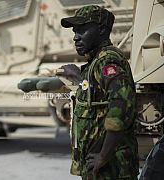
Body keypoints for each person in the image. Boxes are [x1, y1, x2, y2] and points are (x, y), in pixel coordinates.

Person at [59, 5, 139, 179]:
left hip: (112, 168)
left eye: (82, 30)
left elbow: (121, 106)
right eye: (74, 31)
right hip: (101, 168)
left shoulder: (107, 60)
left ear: (102, 30)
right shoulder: (96, 62)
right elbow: (98, 97)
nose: (75, 37)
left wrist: (103, 156)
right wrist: (80, 78)